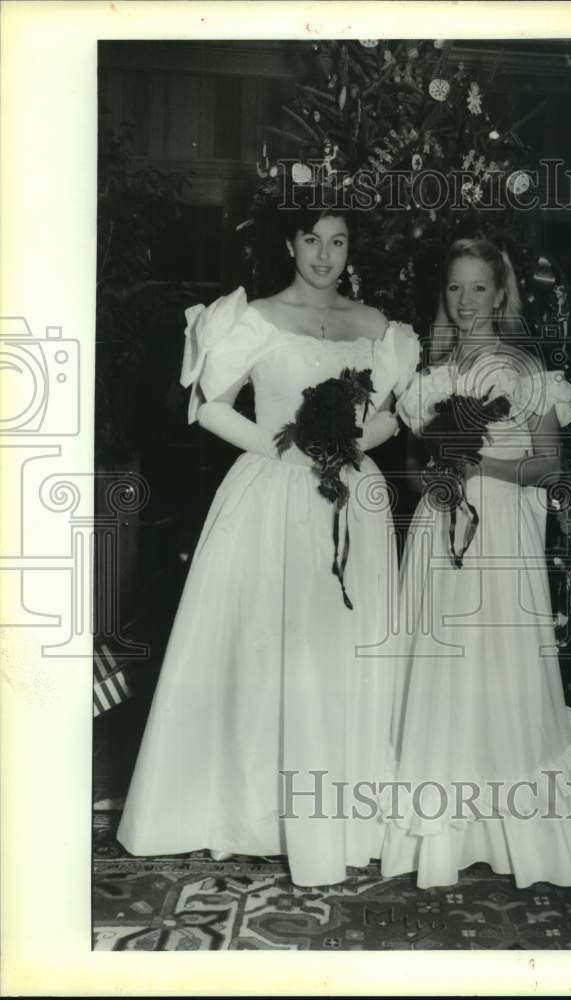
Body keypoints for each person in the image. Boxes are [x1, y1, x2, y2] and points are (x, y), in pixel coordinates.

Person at [117, 203, 420, 887]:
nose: (323, 254)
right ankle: (255, 811)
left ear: (350, 250)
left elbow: (391, 415)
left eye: (337, 241)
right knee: (268, 644)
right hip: (274, 493)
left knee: (341, 642)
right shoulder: (252, 316)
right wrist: (289, 451)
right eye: (311, 239)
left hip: (351, 500)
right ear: (290, 244)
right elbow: (211, 404)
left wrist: (343, 448)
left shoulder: (374, 327)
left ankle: (344, 811)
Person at [381, 238, 571, 889]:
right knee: (441, 662)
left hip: (501, 526)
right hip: (439, 527)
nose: (466, 301)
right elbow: (414, 464)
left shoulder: (524, 370)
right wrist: (432, 477)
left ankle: (519, 835)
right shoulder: (431, 374)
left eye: (479, 288)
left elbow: (547, 465)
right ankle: (440, 831)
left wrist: (480, 466)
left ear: (499, 294)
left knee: (496, 664)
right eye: (455, 288)